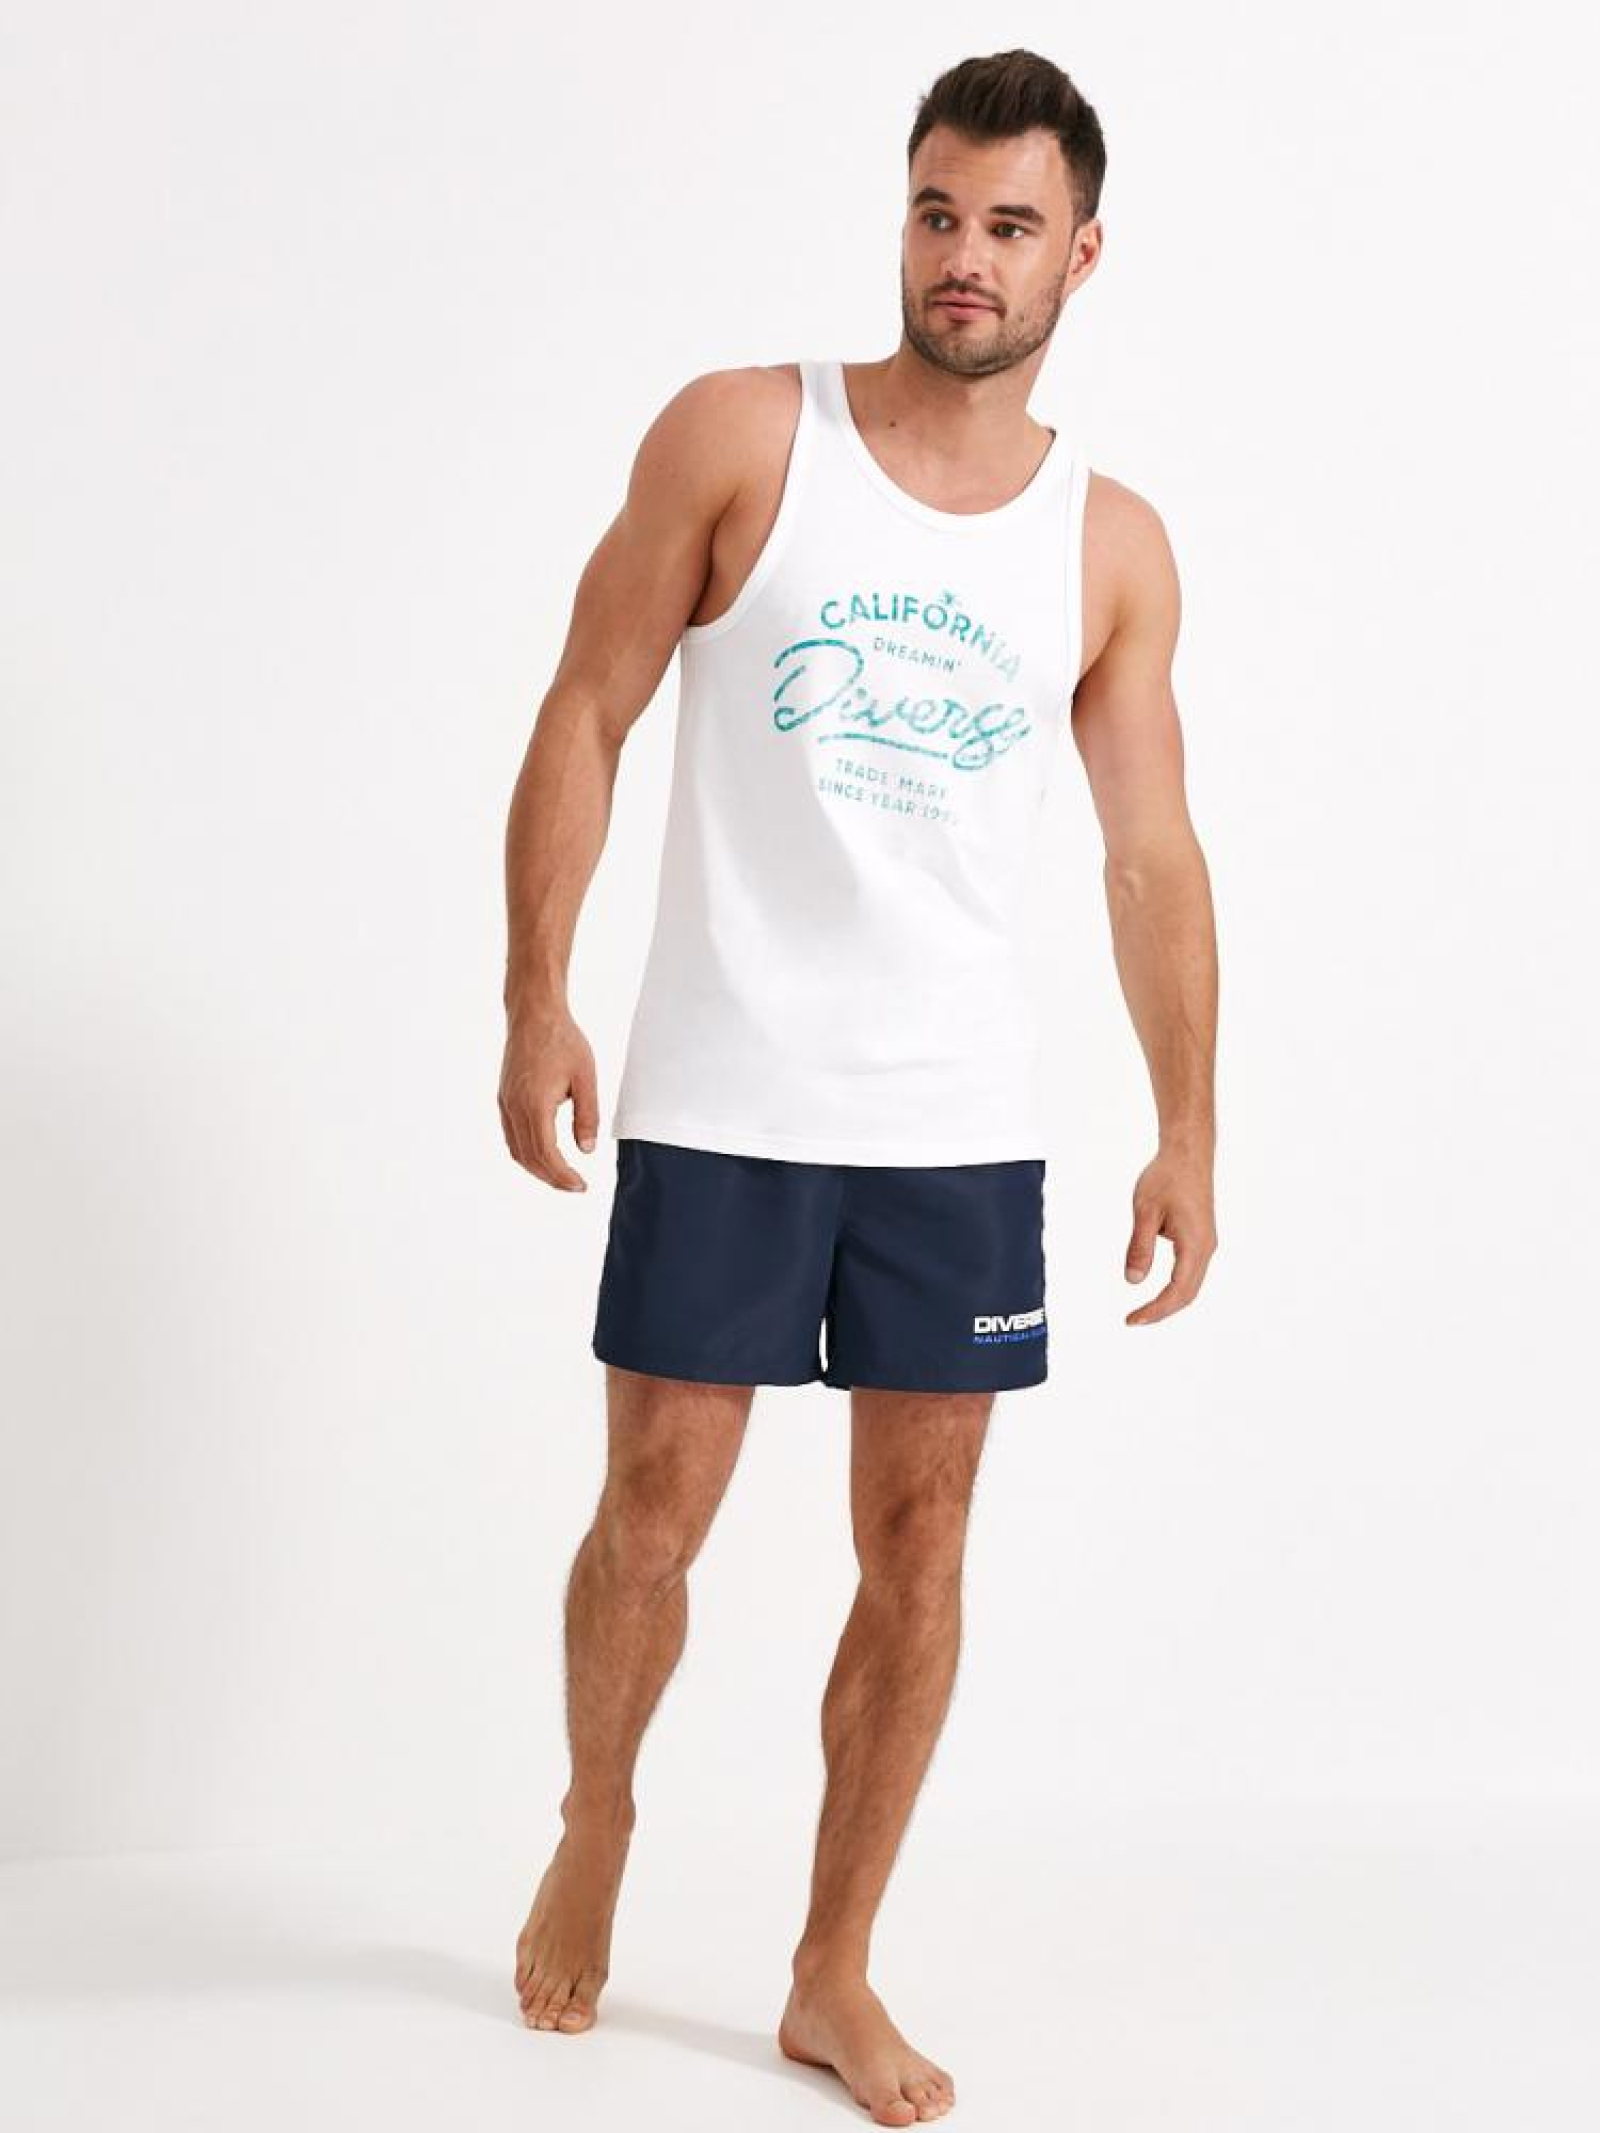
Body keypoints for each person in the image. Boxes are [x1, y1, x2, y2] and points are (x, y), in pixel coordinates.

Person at [498, 47, 1218, 2128]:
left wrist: (1186, 1123)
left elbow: (1151, 854)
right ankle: (598, 1809)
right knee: (653, 1514)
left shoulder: (1108, 544)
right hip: (725, 1090)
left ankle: (830, 1965)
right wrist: (536, 990)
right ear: (900, 220)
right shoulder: (746, 436)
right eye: (935, 212)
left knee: (920, 1544)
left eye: (1009, 225)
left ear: (1081, 255)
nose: (963, 256)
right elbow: (586, 704)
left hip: (952, 1123)